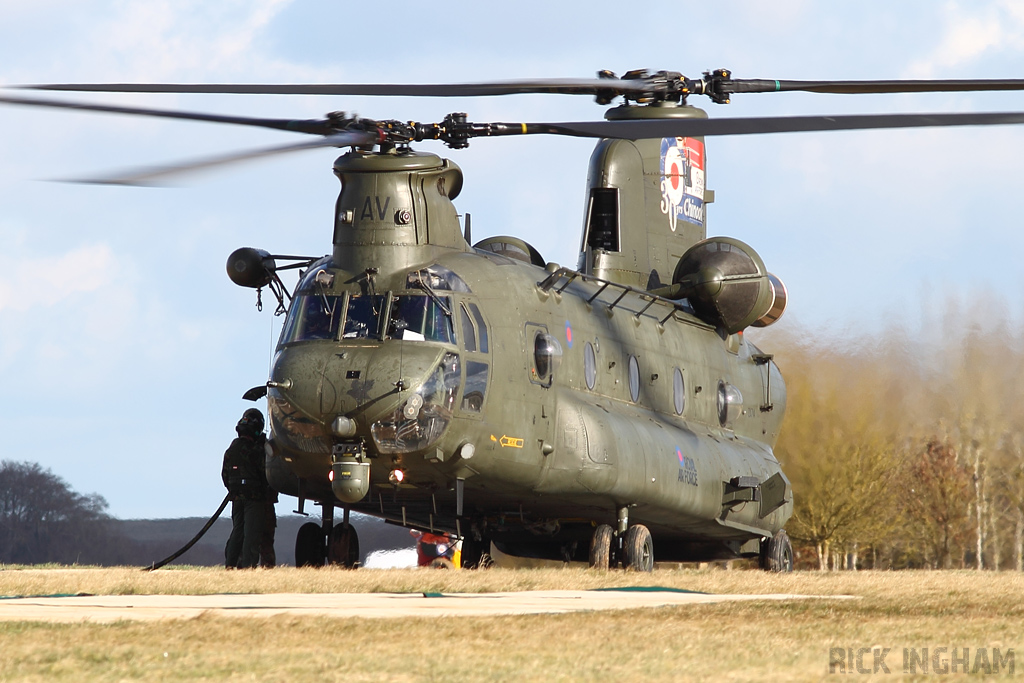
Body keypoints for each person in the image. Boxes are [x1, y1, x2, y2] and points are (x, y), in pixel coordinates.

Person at [222, 408, 267, 569]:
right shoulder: (255, 451)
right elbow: (264, 473)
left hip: (236, 498)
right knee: (251, 535)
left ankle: (230, 565)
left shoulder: (231, 450)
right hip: (253, 499)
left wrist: (234, 491)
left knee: (237, 531)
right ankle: (248, 568)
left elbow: (225, 476)